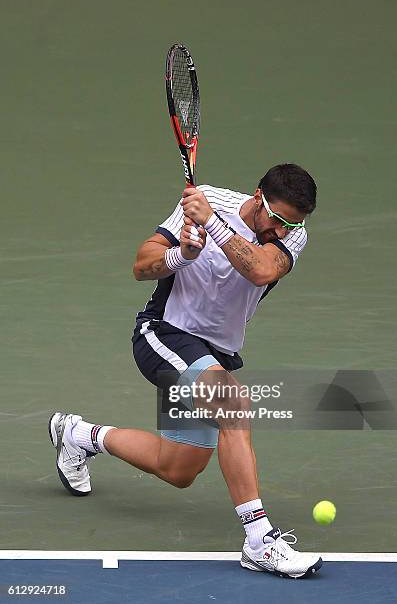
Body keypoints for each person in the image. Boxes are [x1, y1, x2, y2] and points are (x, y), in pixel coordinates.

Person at [49, 163, 323, 578]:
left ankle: (78, 434)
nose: (283, 231)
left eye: (292, 224)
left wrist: (209, 223)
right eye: (278, 219)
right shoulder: (206, 198)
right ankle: (260, 541)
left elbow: (261, 270)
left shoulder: (284, 234)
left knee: (177, 469)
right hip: (164, 334)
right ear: (257, 196)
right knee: (234, 406)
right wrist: (182, 254)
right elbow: (141, 266)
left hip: (216, 352)